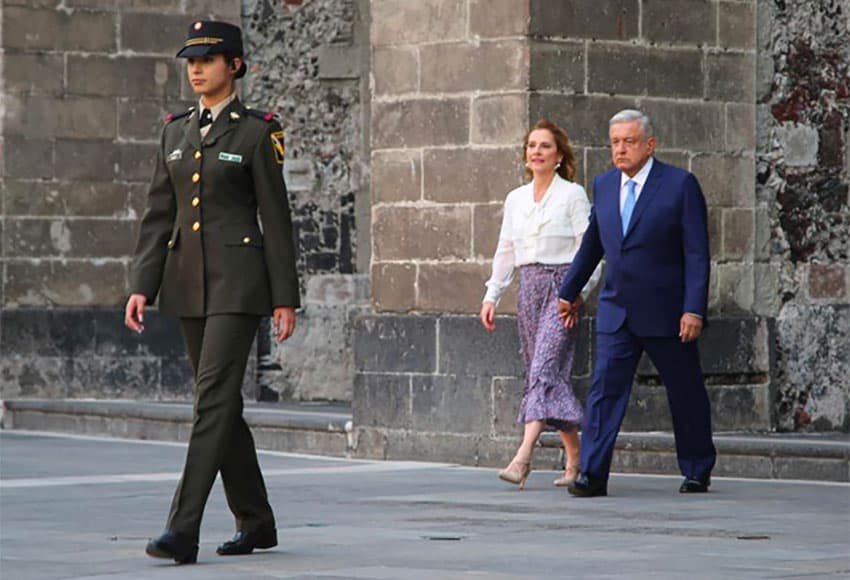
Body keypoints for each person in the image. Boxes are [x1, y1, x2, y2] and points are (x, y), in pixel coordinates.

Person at [124, 20, 300, 564]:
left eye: (209, 59)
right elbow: (160, 214)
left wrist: (284, 296)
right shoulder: (174, 131)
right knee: (219, 405)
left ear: (236, 65)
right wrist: (141, 285)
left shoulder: (257, 131)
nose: (197, 69)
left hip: (241, 285)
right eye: (191, 61)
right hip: (186, 285)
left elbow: (276, 216)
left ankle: (182, 530)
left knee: (212, 403)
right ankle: (257, 520)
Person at [557, 109, 716, 497]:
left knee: (685, 392)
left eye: (628, 141)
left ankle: (697, 468)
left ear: (650, 144)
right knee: (603, 392)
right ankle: (592, 474)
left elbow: (697, 252)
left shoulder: (679, 185)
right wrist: (568, 290)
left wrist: (693, 308)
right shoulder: (605, 185)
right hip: (617, 310)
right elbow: (594, 243)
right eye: (614, 142)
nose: (620, 149)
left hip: (668, 312)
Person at [481, 119, 598, 490]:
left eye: (545, 146)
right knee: (548, 375)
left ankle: (523, 456)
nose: (536, 151)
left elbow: (591, 249)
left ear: (559, 155)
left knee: (543, 370)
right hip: (528, 288)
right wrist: (492, 294)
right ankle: (575, 458)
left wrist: (578, 292)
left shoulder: (573, 195)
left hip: (562, 287)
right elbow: (506, 249)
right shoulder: (515, 198)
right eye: (532, 145)